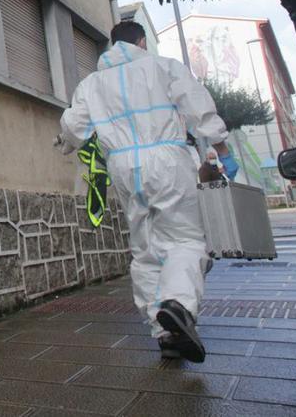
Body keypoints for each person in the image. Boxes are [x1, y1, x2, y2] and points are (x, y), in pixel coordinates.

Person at [57, 21, 239, 363]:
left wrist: (65, 143)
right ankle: (179, 305)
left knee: (145, 249)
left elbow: (72, 126)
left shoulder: (92, 83)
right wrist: (222, 149)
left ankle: (164, 332)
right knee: (185, 239)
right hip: (168, 159)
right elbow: (197, 106)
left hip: (124, 167)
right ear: (142, 41)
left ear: (112, 44)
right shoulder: (164, 66)